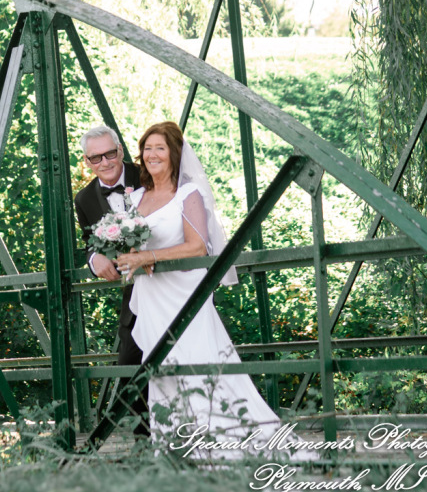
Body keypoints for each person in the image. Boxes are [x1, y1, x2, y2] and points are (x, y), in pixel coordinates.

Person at [114, 121, 287, 454]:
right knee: (161, 370)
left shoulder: (187, 193)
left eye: (159, 148)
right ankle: (172, 447)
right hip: (151, 298)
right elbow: (129, 246)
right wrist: (129, 255)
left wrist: (149, 255)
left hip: (182, 296)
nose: (151, 155)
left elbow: (197, 247)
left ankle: (223, 441)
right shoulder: (135, 197)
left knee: (196, 362)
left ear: (174, 154)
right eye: (147, 148)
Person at [73, 125, 148, 434]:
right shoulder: (85, 199)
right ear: (86, 161)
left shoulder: (148, 175)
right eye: (95, 158)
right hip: (136, 290)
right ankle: (148, 443)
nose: (105, 162)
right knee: (129, 366)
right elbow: (88, 242)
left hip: (171, 276)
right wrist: (94, 259)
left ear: (120, 149)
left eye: (110, 153)